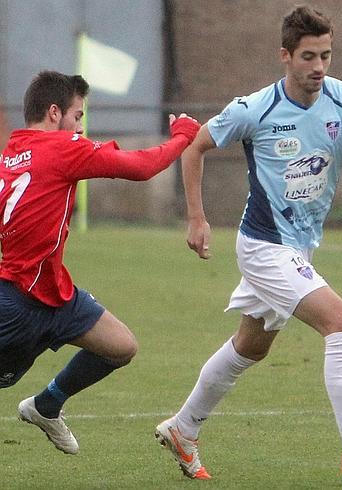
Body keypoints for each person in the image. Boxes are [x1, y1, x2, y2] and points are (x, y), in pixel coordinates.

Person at [154, 5, 342, 484]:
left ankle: (184, 427)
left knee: (250, 347)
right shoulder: (255, 108)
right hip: (265, 246)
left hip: (299, 248)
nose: (319, 67)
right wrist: (197, 217)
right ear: (285, 55)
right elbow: (194, 147)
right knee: (340, 324)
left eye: (326, 55)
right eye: (309, 56)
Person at [0, 70, 200, 455]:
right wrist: (183, 136)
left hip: (54, 293)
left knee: (120, 346)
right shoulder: (61, 148)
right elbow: (141, 166)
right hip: (19, 304)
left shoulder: (12, 154)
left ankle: (46, 405)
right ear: (55, 113)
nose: (80, 127)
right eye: (78, 117)